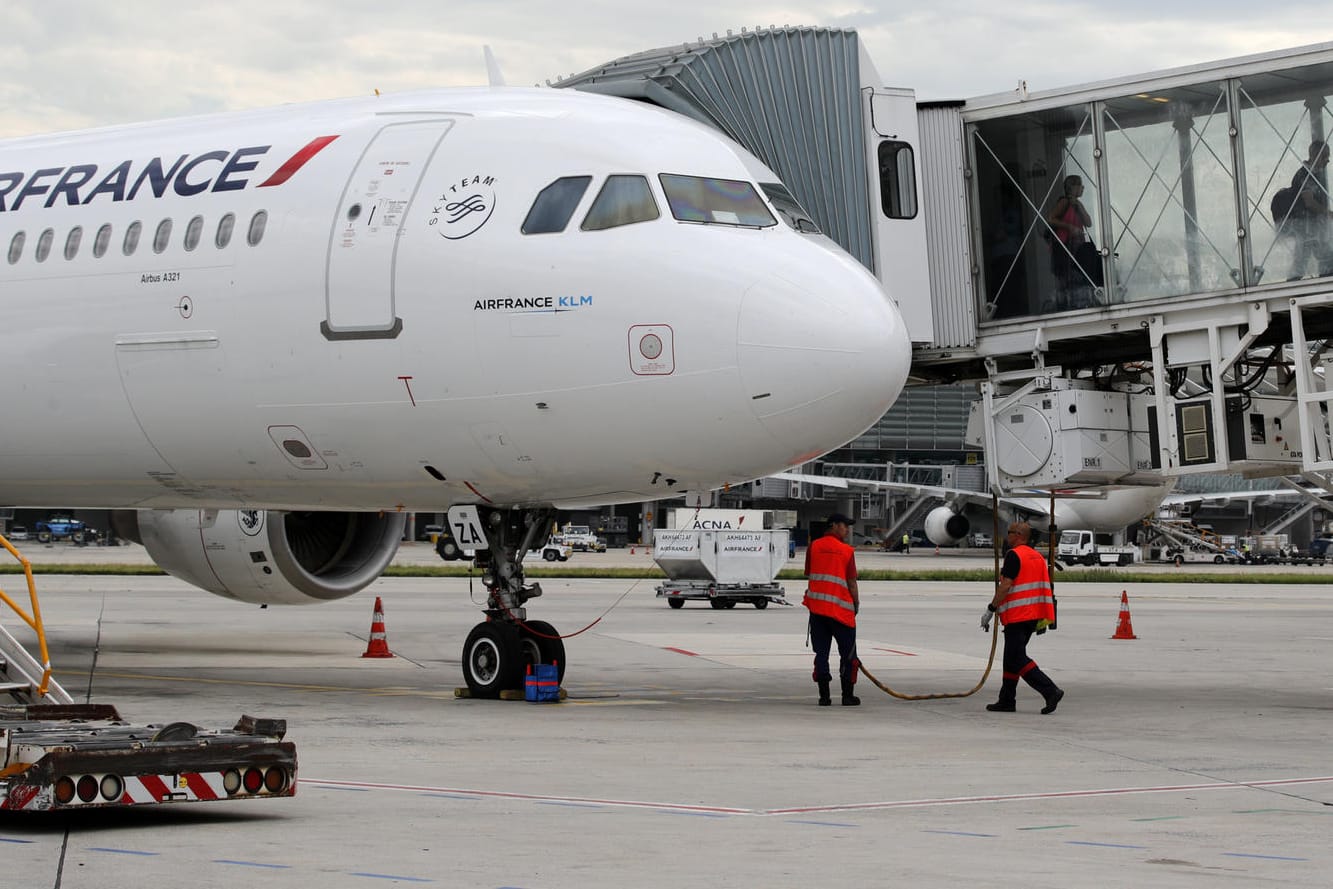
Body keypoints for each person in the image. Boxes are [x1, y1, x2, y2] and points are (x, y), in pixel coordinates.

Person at [979, 521, 1064, 714]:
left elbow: (1006, 585)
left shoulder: (1014, 555)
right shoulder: (1037, 557)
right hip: (1033, 616)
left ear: (1018, 535)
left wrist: (991, 609)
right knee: (1010, 658)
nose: (1006, 537)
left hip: (1018, 615)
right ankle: (1007, 700)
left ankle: (1050, 690)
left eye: (1008, 533)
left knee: (1017, 658)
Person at [803, 513, 861, 706]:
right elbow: (851, 582)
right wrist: (856, 604)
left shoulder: (813, 547)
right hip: (841, 613)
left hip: (818, 611)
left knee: (821, 654)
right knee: (848, 655)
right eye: (845, 526)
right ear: (834, 526)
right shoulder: (846, 551)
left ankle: (824, 697)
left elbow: (811, 574)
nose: (847, 530)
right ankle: (847, 696)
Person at [1046, 175, 1096, 307]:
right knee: (1066, 278)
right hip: (1064, 246)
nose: (1082, 188)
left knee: (1078, 275)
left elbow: (1088, 222)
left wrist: (1079, 206)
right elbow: (1051, 218)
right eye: (1079, 185)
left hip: (1077, 247)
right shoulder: (1064, 202)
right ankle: (1064, 303)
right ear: (1072, 187)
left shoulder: (1076, 204)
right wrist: (1070, 227)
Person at [1287, 140, 1333, 280]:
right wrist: (1328, 213)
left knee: (1304, 261)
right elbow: (1309, 202)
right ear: (1316, 155)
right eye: (1325, 156)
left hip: (1309, 230)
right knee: (1325, 260)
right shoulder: (1307, 175)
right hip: (1308, 229)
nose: (1328, 160)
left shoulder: (1309, 174)